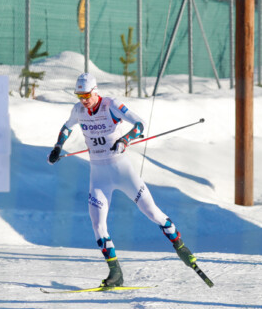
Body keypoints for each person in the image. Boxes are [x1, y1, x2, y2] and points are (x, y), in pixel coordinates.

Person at [47, 73, 199, 286]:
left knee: (153, 213)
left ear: (95, 90)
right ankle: (115, 273)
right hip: (98, 176)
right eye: (79, 95)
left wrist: (124, 139)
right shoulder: (78, 110)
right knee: (98, 225)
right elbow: (66, 127)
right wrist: (57, 147)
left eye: (87, 94)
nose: (83, 99)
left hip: (121, 170)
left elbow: (140, 124)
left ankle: (181, 247)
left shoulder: (110, 105)